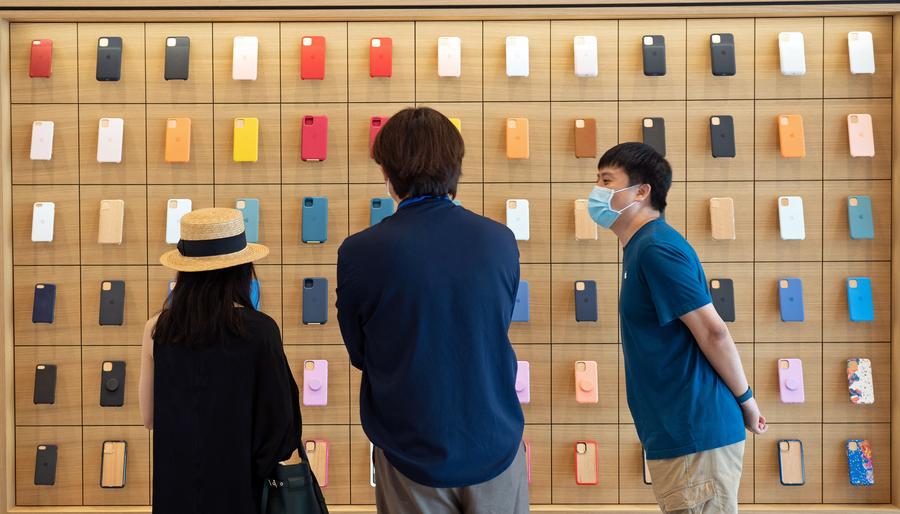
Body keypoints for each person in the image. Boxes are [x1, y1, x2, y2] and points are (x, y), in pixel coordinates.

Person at [336, 107, 528, 513]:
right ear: (456, 166)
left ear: (386, 171)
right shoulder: (499, 240)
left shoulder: (360, 251)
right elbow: (492, 326)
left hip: (409, 444)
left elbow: (360, 353)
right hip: (494, 437)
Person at [588, 143, 767, 514]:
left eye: (607, 181)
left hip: (695, 433)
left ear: (641, 191)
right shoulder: (641, 247)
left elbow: (712, 331)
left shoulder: (656, 249)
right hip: (677, 432)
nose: (597, 191)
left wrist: (746, 400)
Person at [139, 208, 302, 514]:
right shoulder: (260, 331)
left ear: (184, 272)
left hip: (176, 491)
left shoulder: (157, 329)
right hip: (242, 492)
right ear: (242, 269)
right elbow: (281, 431)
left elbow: (149, 417)